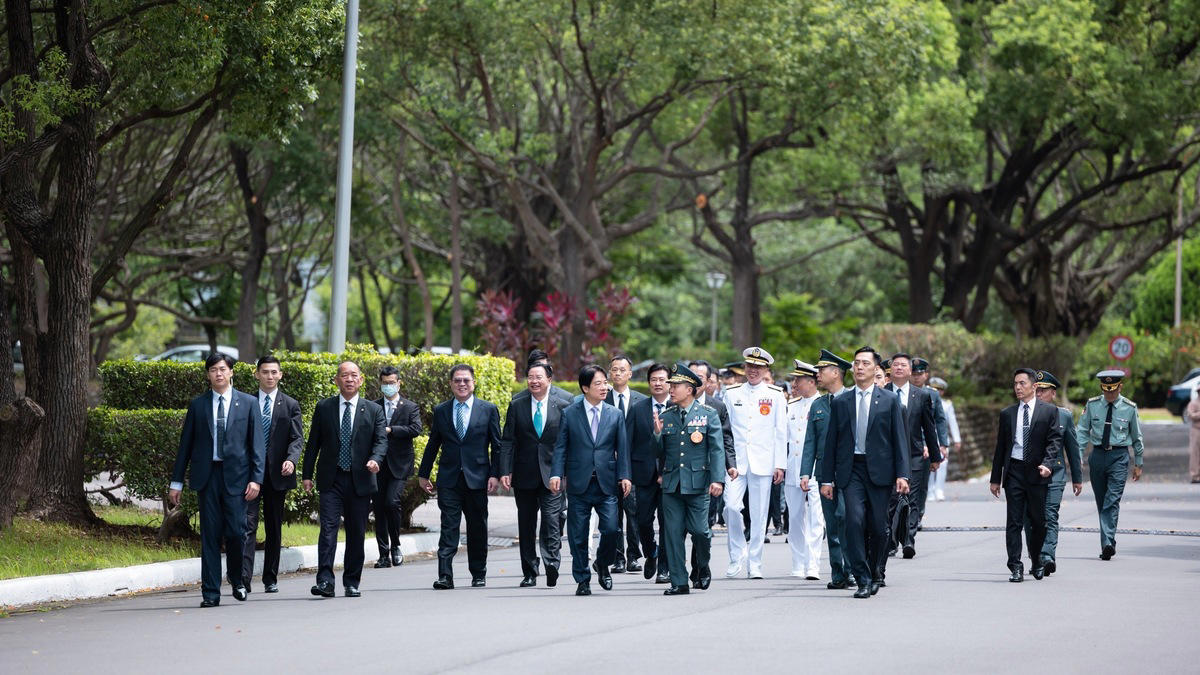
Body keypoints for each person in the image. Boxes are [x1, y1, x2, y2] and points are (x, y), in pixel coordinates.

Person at [170, 352, 265, 607]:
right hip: (207, 476)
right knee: (209, 536)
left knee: (236, 532)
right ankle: (210, 592)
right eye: (213, 370)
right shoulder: (198, 405)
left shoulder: (247, 403)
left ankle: (237, 579)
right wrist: (176, 482)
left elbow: (257, 445)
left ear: (231, 372)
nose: (218, 373)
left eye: (222, 369)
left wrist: (256, 479)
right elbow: (185, 445)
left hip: (238, 478)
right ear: (208, 375)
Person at [820, 346, 909, 599]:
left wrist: (903, 475)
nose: (859, 367)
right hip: (851, 471)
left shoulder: (890, 401)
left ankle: (874, 571)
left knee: (879, 528)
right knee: (853, 521)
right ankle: (862, 577)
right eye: (856, 363)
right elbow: (832, 443)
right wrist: (827, 479)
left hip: (880, 471)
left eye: (865, 364)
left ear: (876, 369)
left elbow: (899, 440)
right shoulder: (841, 402)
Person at [302, 360, 388, 598]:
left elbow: (381, 441)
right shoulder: (324, 407)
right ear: (336, 380)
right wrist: (307, 475)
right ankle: (325, 582)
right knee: (328, 529)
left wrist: (375, 460)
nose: (349, 379)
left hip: (360, 480)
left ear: (361, 380)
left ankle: (351, 582)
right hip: (332, 478)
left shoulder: (373, 410)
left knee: (356, 531)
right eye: (344, 375)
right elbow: (313, 444)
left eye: (354, 375)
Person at [418, 364, 503, 589]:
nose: (462, 384)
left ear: (473, 383)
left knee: (477, 527)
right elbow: (433, 443)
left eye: (466, 380)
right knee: (449, 526)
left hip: (478, 479)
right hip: (450, 478)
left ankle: (478, 573)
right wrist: (423, 474)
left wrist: (495, 474)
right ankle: (445, 575)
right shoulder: (442, 410)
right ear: (451, 384)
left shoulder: (488, 409)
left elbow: (497, 446)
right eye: (457, 380)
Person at [550, 365, 632, 596]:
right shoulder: (570, 413)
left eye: (605, 382)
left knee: (610, 529)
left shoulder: (614, 414)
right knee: (577, 534)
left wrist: (625, 475)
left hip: (607, 483)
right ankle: (582, 579)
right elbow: (561, 447)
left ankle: (602, 564)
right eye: (598, 383)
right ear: (585, 388)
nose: (604, 387)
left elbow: (622, 448)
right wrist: (556, 473)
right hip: (578, 483)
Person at [651, 364, 725, 595]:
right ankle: (679, 582)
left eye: (676, 385)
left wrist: (718, 480)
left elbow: (716, 449)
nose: (670, 389)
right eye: (670, 385)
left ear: (690, 389)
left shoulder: (708, 415)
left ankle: (702, 565)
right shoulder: (666, 416)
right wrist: (656, 434)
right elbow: (658, 452)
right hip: (672, 484)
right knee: (672, 535)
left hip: (698, 483)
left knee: (701, 532)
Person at [500, 361, 569, 588]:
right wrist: (505, 471)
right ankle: (529, 571)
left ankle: (552, 564)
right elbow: (508, 440)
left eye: (539, 377)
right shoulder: (517, 405)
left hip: (553, 474)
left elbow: (568, 441)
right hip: (524, 473)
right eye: (530, 377)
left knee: (551, 521)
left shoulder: (563, 404)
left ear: (549, 379)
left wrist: (565, 470)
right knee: (526, 524)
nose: (534, 381)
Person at [988, 368, 1062, 582]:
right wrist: (995, 478)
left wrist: (1048, 464)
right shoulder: (1008, 413)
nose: (1018, 388)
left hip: (1038, 472)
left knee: (1038, 521)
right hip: (1015, 471)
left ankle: (1037, 560)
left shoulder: (1049, 411)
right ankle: (1015, 566)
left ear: (1034, 386)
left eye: (1022, 383)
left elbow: (1054, 441)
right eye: (1015, 384)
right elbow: (1001, 448)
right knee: (1014, 521)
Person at [722, 347, 787, 579]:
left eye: (758, 367)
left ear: (765, 369)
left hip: (763, 460)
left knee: (759, 516)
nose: (753, 371)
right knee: (730, 506)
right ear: (744, 368)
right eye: (750, 366)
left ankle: (755, 563)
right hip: (736, 463)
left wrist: (780, 464)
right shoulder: (731, 394)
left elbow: (781, 431)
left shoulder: (776, 394)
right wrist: (726, 460)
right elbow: (726, 431)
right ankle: (736, 555)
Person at [241, 356, 302, 594]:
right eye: (264, 372)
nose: (269, 376)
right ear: (256, 374)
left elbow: (297, 438)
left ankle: (270, 577)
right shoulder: (246, 402)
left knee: (274, 527)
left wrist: (291, 459)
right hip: (250, 475)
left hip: (278, 474)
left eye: (273, 372)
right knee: (247, 525)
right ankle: (244, 579)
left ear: (280, 375)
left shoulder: (290, 404)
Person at [1076, 369, 1145, 560]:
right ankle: (1108, 541)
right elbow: (1082, 431)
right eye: (1106, 390)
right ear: (1101, 388)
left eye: (1113, 390)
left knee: (1112, 500)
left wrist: (1138, 463)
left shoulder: (1129, 408)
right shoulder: (1092, 405)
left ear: (1120, 387)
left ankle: (1107, 543)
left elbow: (1137, 437)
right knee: (1102, 501)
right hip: (1097, 456)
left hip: (1119, 457)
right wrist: (1078, 457)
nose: (1109, 394)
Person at [800, 348, 852, 589]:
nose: (817, 373)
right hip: (824, 473)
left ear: (836, 373)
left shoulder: (853, 400)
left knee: (846, 519)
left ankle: (853, 569)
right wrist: (805, 472)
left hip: (850, 472)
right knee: (831, 525)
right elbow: (810, 440)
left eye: (821, 370)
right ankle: (838, 573)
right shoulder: (819, 404)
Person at [883, 353, 941, 564]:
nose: (899, 368)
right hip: (889, 457)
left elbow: (929, 426)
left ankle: (908, 539)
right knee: (890, 499)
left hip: (915, 454)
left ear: (909, 371)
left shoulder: (922, 395)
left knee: (913, 499)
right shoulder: (882, 393)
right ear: (890, 370)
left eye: (903, 365)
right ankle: (889, 541)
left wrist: (935, 456)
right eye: (895, 365)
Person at [1029, 370, 1082, 576]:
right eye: (1037, 390)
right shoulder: (1027, 413)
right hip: (1032, 475)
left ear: (1053, 393)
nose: (1039, 394)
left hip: (1056, 473)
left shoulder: (1064, 416)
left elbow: (1073, 449)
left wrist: (1077, 478)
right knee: (1033, 518)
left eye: (1043, 390)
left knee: (1050, 515)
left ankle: (1047, 555)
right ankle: (1036, 557)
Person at [372, 366, 422, 569]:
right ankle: (383, 553)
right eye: (385, 383)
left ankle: (396, 546)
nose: (388, 386)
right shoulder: (373, 406)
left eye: (392, 382)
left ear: (399, 383)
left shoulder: (410, 407)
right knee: (379, 507)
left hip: (400, 464)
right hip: (377, 464)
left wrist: (391, 429)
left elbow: (416, 429)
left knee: (392, 502)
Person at [628, 363, 673, 584]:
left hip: (670, 476)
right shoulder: (637, 409)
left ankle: (664, 568)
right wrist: (625, 474)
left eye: (662, 379)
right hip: (643, 474)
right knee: (643, 520)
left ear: (669, 382)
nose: (657, 383)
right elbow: (627, 443)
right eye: (653, 379)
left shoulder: (676, 407)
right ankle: (651, 552)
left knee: (667, 523)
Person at [604, 354, 645, 573]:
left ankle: (633, 555)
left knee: (634, 511)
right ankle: (617, 557)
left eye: (622, 369)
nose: (618, 373)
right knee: (613, 513)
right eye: (614, 370)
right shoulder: (603, 399)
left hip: (635, 466)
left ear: (630, 373)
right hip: (609, 465)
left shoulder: (640, 400)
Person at [784, 360, 825, 579]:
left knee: (816, 518)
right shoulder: (791, 406)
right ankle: (798, 562)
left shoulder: (824, 404)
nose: (795, 383)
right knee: (796, 517)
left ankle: (813, 564)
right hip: (793, 468)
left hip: (817, 470)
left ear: (811, 381)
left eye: (798, 380)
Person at [689, 360, 736, 530]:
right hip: (684, 472)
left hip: (708, 472)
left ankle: (700, 556)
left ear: (708, 381)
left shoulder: (718, 407)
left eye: (699, 377)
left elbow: (726, 439)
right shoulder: (675, 404)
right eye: (691, 375)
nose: (694, 380)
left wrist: (730, 465)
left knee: (704, 525)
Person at [926, 377, 961, 501]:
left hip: (942, 438)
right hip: (927, 437)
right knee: (929, 463)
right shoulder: (924, 399)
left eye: (939, 389)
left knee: (943, 464)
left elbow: (952, 422)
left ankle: (939, 490)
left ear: (942, 391)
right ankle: (929, 491)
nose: (937, 391)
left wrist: (957, 439)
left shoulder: (947, 404)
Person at [1188, 383, 1200, 483]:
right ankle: (1194, 476)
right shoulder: (1193, 403)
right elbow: (1190, 415)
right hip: (1196, 430)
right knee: (1195, 453)